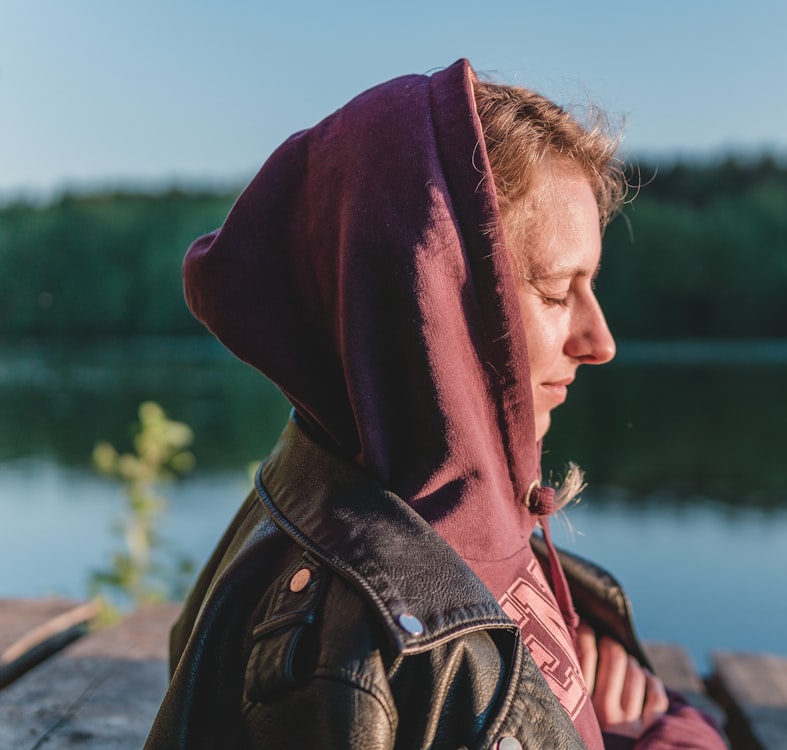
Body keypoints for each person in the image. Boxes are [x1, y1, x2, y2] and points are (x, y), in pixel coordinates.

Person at [145, 59, 726, 749]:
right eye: (554, 291)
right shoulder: (355, 653)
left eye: (590, 285)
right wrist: (673, 736)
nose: (600, 341)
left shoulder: (440, 515)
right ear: (434, 303)